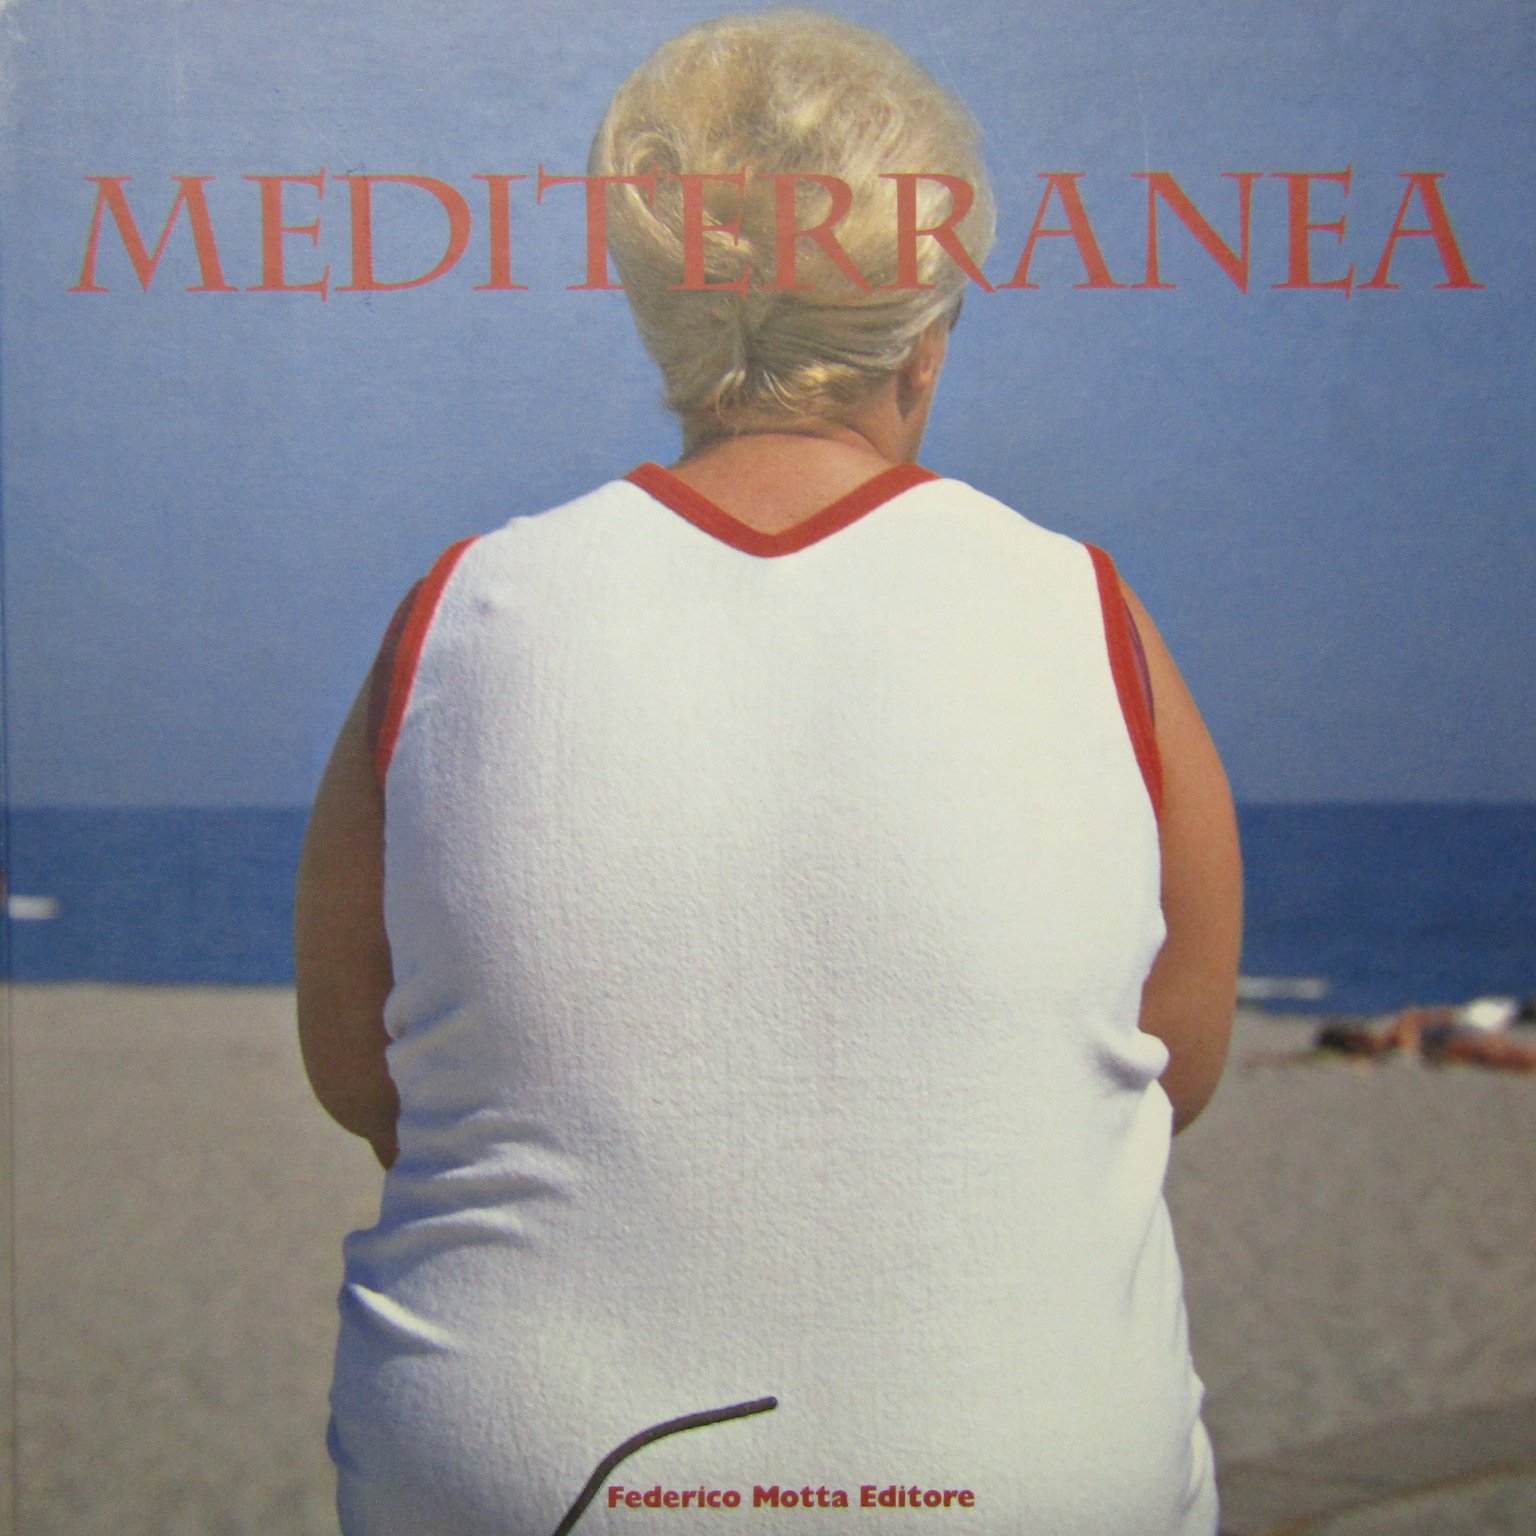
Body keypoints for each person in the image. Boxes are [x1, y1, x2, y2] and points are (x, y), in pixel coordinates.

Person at [294, 11, 1242, 1535]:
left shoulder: (460, 612)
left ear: (658, 308)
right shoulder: (1086, 614)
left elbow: (363, 1071)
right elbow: (1169, 1073)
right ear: (925, 334)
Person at [1247, 996, 1536, 1072]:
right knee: (1491, 1051)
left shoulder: (1393, 1032)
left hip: (1461, 1027)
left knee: (1492, 1049)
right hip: (1456, 1033)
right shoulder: (1383, 1046)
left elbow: (1415, 1019)